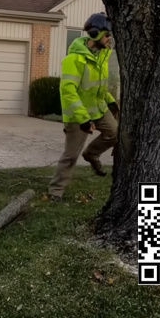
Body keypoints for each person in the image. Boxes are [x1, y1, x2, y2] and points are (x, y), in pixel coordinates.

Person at [48, 12, 119, 201]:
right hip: (77, 115)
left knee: (114, 133)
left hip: (98, 109)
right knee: (71, 156)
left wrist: (111, 101)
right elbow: (68, 91)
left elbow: (99, 86)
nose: (109, 39)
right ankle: (56, 191)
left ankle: (91, 154)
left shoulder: (102, 56)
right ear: (95, 34)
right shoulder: (74, 60)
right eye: (107, 35)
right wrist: (84, 119)